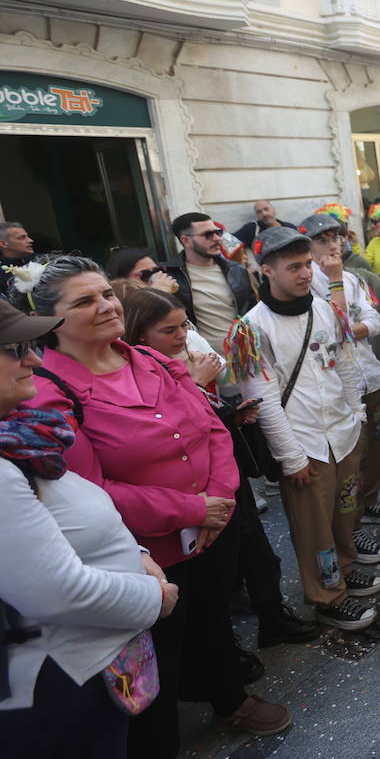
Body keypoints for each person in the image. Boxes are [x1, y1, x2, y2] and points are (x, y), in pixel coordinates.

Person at [18, 257, 290, 752]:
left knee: (213, 619)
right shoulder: (49, 392)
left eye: (107, 294)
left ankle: (229, 700)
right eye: (85, 301)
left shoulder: (151, 358)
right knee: (155, 654)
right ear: (48, 319)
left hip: (215, 523)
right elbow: (90, 491)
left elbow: (212, 430)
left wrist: (219, 499)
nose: (106, 306)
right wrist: (191, 511)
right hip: (145, 550)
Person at [0, 298, 172, 758]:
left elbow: (66, 518)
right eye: (14, 349)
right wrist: (155, 597)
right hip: (55, 681)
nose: (34, 361)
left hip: (81, 667)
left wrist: (134, 553)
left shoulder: (20, 435)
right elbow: (56, 592)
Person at [120, 288, 319, 652]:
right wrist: (196, 383)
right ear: (140, 334)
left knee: (257, 553)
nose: (181, 335)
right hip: (187, 492)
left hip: (225, 475)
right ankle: (227, 649)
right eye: (169, 330)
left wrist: (232, 413)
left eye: (184, 325)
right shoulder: (136, 371)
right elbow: (172, 428)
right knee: (215, 579)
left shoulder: (188, 351)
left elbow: (214, 410)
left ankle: (272, 618)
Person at [225, 228, 380, 634]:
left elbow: (345, 364)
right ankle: (327, 596)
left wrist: (358, 416)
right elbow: (264, 401)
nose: (305, 273)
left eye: (308, 264)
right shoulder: (252, 328)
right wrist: (291, 457)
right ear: (267, 271)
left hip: (344, 435)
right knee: (315, 531)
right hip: (305, 445)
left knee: (345, 513)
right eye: (294, 267)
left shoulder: (326, 309)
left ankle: (345, 570)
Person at [301, 214, 380, 549]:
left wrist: (351, 329)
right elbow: (333, 328)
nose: (333, 246)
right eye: (323, 240)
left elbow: (373, 320)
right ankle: (352, 525)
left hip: (371, 375)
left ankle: (370, 501)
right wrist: (334, 284)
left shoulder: (352, 278)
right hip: (340, 387)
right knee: (351, 458)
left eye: (336, 238)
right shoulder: (308, 284)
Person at [160, 213, 258, 353]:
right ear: (186, 240)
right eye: (207, 234)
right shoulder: (169, 275)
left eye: (218, 232)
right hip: (202, 358)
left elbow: (253, 313)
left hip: (245, 356)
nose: (217, 238)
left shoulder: (237, 270)